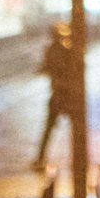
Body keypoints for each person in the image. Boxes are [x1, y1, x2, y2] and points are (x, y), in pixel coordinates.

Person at [34, 22, 75, 169]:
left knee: (49, 127)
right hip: (65, 95)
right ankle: (80, 159)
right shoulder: (66, 50)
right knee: (74, 128)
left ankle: (40, 158)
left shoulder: (52, 50)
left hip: (58, 94)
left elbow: (44, 68)